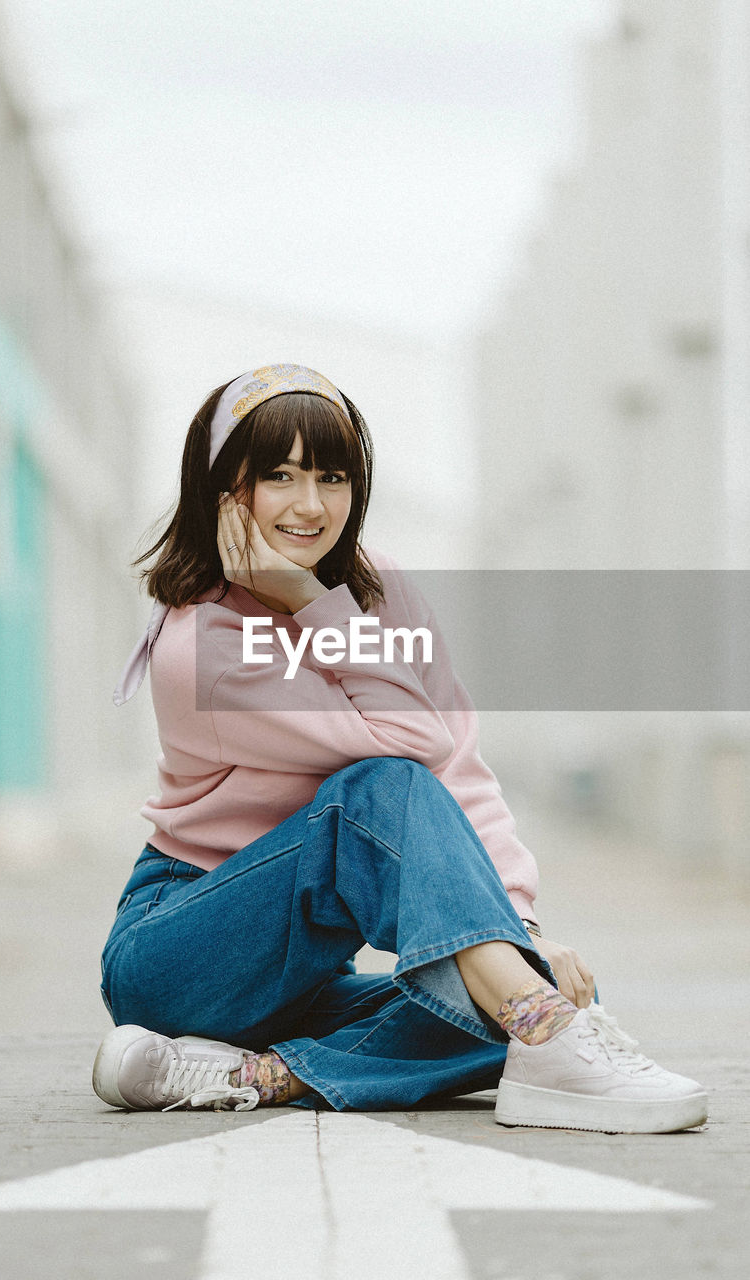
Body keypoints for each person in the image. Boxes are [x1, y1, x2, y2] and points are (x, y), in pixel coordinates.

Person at [92, 363, 707, 1133]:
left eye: (333, 476)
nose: (311, 505)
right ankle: (540, 1025)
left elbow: (458, 771)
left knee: (524, 987)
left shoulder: (382, 591)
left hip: (308, 972)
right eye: (277, 476)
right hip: (184, 950)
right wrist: (310, 601)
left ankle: (260, 1074)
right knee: (378, 789)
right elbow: (413, 746)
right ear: (226, 491)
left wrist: (521, 928)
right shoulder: (200, 645)